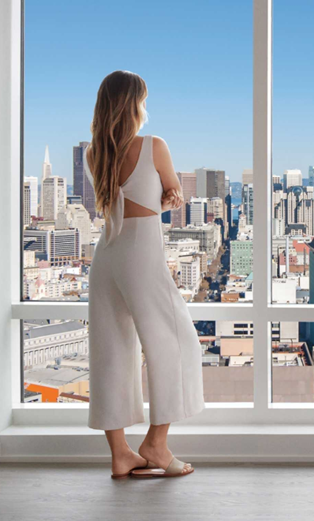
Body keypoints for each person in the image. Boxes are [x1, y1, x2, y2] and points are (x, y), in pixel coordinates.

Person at [84, 70, 204, 479]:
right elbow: (167, 196)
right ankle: (155, 443)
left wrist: (160, 200)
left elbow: (123, 202)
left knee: (111, 351)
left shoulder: (94, 154)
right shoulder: (154, 146)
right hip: (140, 253)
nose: (145, 108)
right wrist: (174, 198)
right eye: (143, 100)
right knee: (179, 342)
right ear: (133, 104)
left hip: (106, 255)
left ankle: (120, 454)